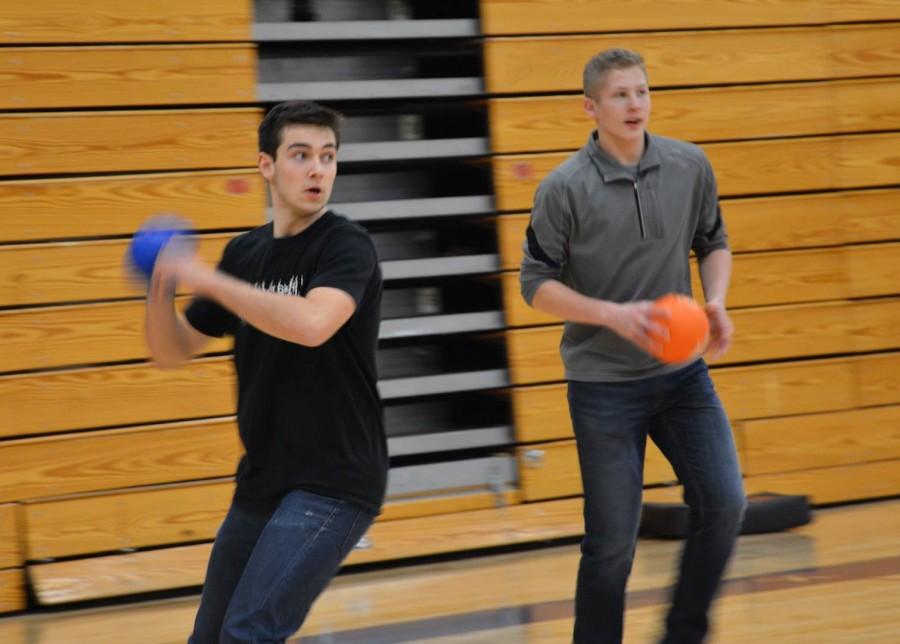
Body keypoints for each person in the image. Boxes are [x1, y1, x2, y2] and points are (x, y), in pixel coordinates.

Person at [519, 49, 747, 644]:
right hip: (602, 387)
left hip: (682, 377)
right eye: (620, 95)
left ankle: (682, 635)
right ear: (590, 107)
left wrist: (715, 300)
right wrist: (612, 316)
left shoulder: (689, 165)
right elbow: (535, 285)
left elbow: (712, 240)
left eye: (642, 91)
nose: (634, 104)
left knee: (725, 506)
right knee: (612, 545)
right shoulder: (563, 188)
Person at [143, 100, 387, 643]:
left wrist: (207, 280)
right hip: (263, 481)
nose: (317, 169)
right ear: (266, 166)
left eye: (327, 156)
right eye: (300, 155)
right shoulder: (245, 254)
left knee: (248, 633)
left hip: (334, 482)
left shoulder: (346, 246)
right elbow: (171, 350)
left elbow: (313, 324)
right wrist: (162, 286)